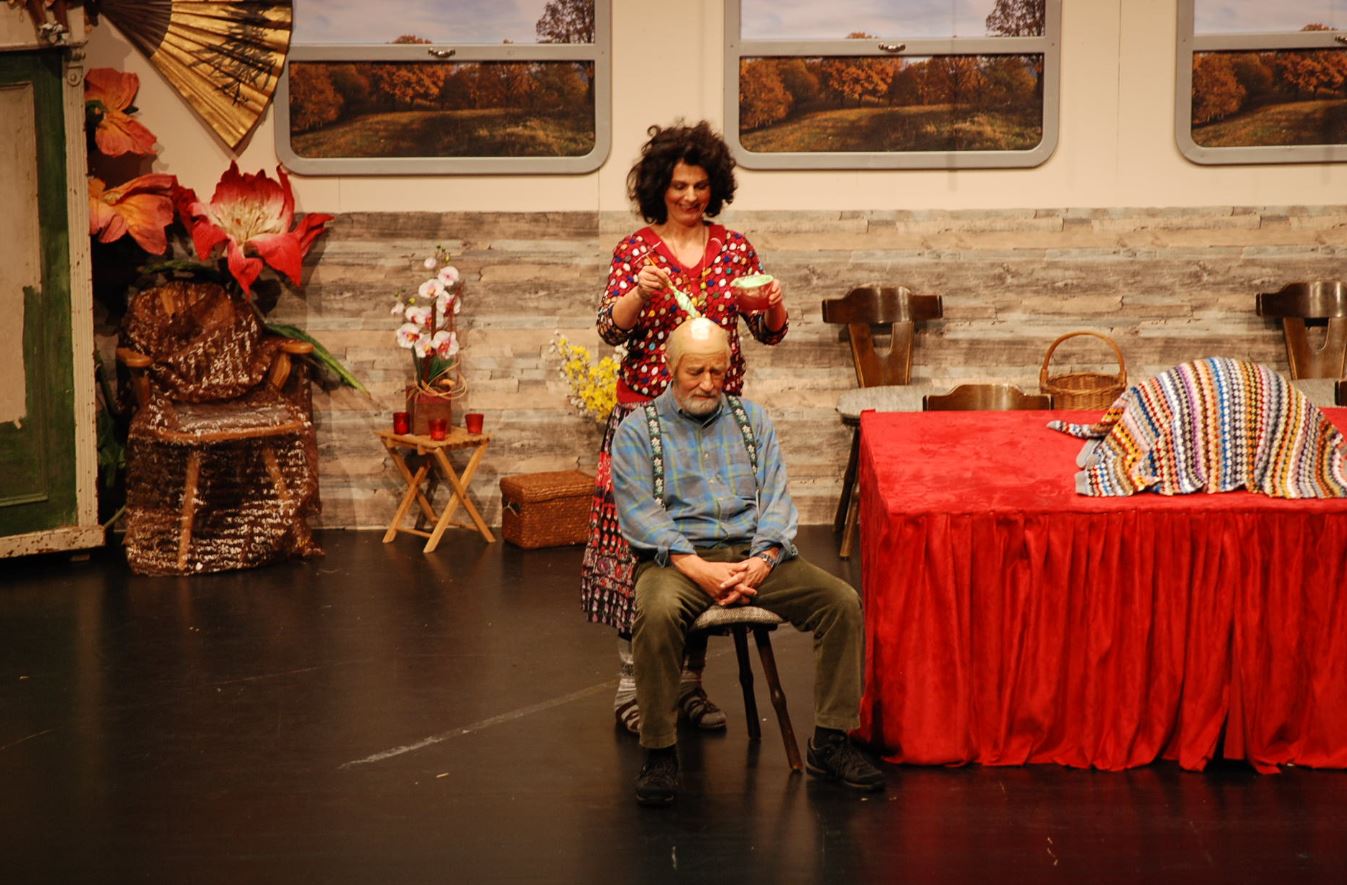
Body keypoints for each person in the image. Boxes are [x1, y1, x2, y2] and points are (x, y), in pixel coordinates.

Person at [611, 318, 885, 806]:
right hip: (679, 560)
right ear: (671, 368)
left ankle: (830, 740)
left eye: (718, 371)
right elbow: (640, 514)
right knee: (655, 612)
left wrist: (763, 559)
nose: (708, 383)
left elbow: (776, 498)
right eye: (696, 371)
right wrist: (700, 569)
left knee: (841, 603)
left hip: (753, 555)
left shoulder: (752, 420)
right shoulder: (637, 430)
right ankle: (659, 751)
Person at [581, 121, 789, 736]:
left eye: (700, 185)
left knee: (703, 544)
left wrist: (772, 301)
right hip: (644, 423)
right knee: (640, 557)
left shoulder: (735, 250)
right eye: (679, 185)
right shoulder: (636, 252)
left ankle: (689, 686)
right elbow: (610, 329)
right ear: (659, 188)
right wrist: (638, 296)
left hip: (714, 425)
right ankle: (635, 689)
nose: (691, 196)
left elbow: (769, 333)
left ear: (714, 187)